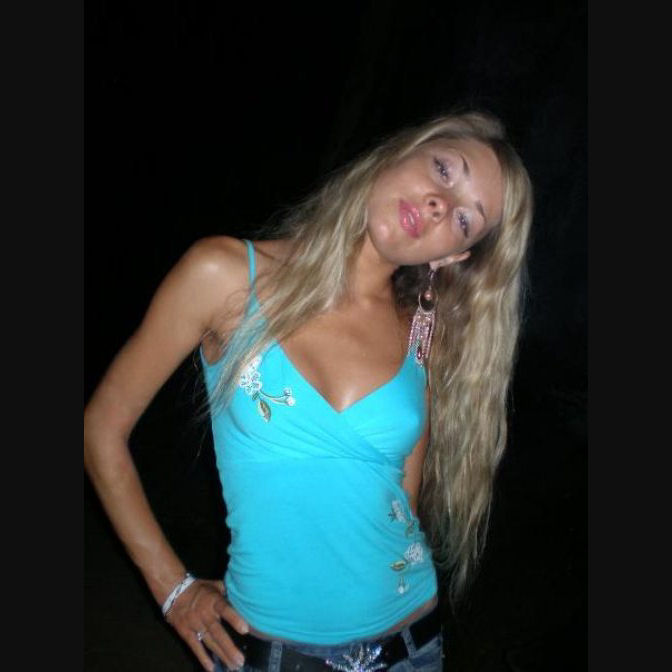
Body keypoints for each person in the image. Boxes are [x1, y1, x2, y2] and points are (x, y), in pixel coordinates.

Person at [84, 111, 533, 672]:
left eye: (465, 220)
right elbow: (101, 428)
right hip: (272, 655)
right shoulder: (225, 275)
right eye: (444, 170)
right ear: (401, 151)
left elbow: (401, 496)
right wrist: (172, 589)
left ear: (454, 255)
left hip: (411, 646)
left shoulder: (422, 335)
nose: (441, 204)